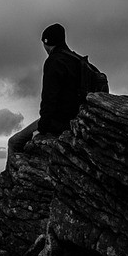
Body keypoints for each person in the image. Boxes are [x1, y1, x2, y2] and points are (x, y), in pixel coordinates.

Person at [7, 23, 86, 160]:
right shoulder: (77, 60)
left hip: (59, 121)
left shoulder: (54, 61)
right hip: (78, 117)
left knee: (14, 142)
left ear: (46, 42)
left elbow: (49, 99)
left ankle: (11, 180)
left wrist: (41, 130)